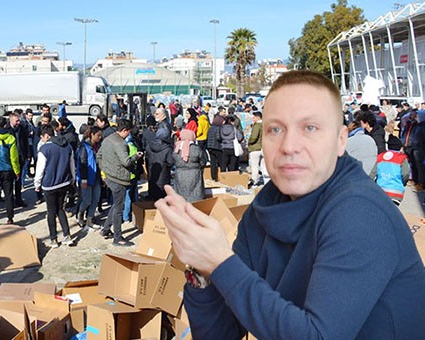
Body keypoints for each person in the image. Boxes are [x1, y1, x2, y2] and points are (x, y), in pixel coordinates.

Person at [156, 70, 425, 339]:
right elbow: (222, 332)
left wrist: (220, 261)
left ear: (341, 140)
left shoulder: (361, 212)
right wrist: (201, 270)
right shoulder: (264, 208)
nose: (289, 146)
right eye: (275, 129)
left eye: (309, 128)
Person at [96, 119, 142, 247]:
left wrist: (104, 171)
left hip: (109, 177)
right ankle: (118, 238)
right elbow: (126, 162)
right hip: (119, 179)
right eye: (128, 132)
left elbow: (98, 156)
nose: (129, 135)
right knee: (118, 209)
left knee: (116, 204)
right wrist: (136, 157)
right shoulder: (120, 144)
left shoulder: (108, 139)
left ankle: (105, 230)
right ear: (124, 130)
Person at [35, 124, 75, 247]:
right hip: (64, 182)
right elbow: (72, 165)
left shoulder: (44, 149)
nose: (42, 140)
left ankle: (53, 238)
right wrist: (72, 179)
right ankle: (67, 235)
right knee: (60, 209)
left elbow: (40, 169)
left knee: (51, 212)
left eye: (42, 137)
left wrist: (37, 184)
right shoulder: (67, 146)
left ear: (46, 136)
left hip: (49, 185)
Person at [76, 126, 102, 230]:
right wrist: (83, 180)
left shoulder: (97, 146)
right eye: (98, 135)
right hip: (86, 178)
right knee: (87, 200)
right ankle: (80, 215)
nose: (100, 137)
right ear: (92, 135)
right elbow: (82, 164)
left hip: (96, 177)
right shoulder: (84, 147)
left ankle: (90, 219)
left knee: (95, 199)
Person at [369, 137, 409, 205]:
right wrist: (403, 182)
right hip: (395, 193)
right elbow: (405, 173)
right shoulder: (402, 158)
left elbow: (372, 174)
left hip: (380, 192)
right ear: (400, 147)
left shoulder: (380, 156)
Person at [173, 129, 205, 202]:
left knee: (181, 194)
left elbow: (173, 159)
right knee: (195, 195)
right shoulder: (195, 148)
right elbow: (203, 161)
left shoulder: (177, 148)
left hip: (180, 174)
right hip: (194, 174)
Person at [146, 128, 174, 201]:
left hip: (152, 172)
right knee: (163, 199)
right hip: (164, 175)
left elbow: (146, 159)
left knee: (152, 198)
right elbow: (170, 162)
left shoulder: (149, 146)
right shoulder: (167, 148)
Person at [8, 112, 29, 207]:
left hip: (20, 157)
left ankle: (18, 199)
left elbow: (25, 142)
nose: (18, 122)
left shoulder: (22, 129)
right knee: (9, 181)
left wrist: (27, 154)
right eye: (16, 120)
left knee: (18, 180)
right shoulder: (7, 130)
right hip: (10, 159)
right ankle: (10, 200)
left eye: (18, 120)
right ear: (11, 120)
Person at [206, 109, 225, 181]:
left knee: (213, 163)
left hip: (210, 147)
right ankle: (221, 177)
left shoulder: (211, 128)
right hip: (217, 147)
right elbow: (218, 137)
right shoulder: (218, 128)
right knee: (221, 162)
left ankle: (213, 177)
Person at [247, 111, 264, 186]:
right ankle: (265, 180)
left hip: (255, 147)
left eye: (253, 117)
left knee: (254, 166)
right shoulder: (265, 125)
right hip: (263, 147)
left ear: (257, 117)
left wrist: (249, 142)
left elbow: (254, 137)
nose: (252, 119)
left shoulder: (257, 125)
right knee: (263, 166)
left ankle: (254, 180)